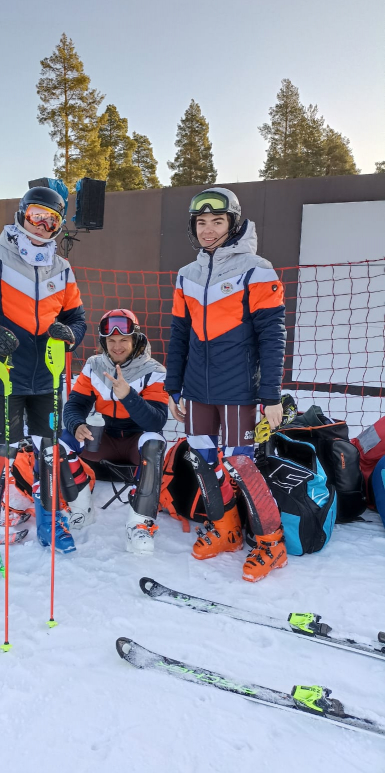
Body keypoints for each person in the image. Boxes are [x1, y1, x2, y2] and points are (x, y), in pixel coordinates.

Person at [0, 184, 86, 573]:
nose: (42, 225)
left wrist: (71, 334)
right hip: (4, 373)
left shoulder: (62, 268)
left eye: (51, 220)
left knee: (49, 450)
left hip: (48, 375)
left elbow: (76, 317)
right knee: (3, 452)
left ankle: (49, 520)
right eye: (36, 216)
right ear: (22, 215)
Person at [165, 187, 287, 579]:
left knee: (240, 463)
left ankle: (271, 543)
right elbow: (179, 335)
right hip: (197, 390)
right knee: (202, 457)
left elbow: (272, 337)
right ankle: (227, 528)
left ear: (232, 224)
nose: (208, 229)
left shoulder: (257, 269)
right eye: (201, 222)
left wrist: (270, 395)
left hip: (238, 389)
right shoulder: (187, 275)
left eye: (217, 221)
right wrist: (173, 386)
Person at [62, 309, 168, 554]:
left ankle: (139, 524)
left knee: (155, 442)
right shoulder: (94, 365)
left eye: (123, 340)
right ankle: (81, 509)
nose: (117, 346)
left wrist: (129, 396)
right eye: (111, 340)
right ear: (103, 342)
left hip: (136, 439)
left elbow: (156, 422)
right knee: (63, 441)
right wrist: (76, 424)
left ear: (136, 340)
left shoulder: (154, 370)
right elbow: (75, 405)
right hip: (104, 437)